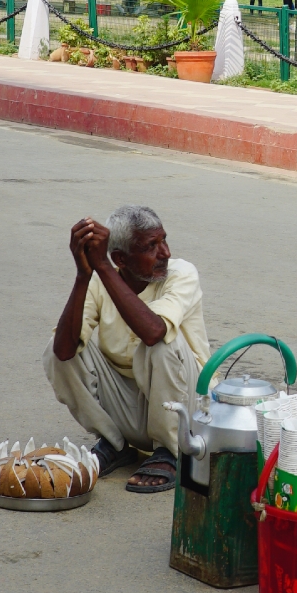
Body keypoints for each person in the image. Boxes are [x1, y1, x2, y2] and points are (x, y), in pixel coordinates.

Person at [43, 204, 210, 492]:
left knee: (160, 342)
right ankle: (115, 443)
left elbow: (154, 331)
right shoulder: (100, 280)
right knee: (57, 351)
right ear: (121, 258)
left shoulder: (182, 273)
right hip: (131, 408)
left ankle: (171, 450)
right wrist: (84, 275)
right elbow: (64, 351)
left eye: (164, 241)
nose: (165, 253)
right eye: (152, 247)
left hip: (187, 407)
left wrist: (104, 266)